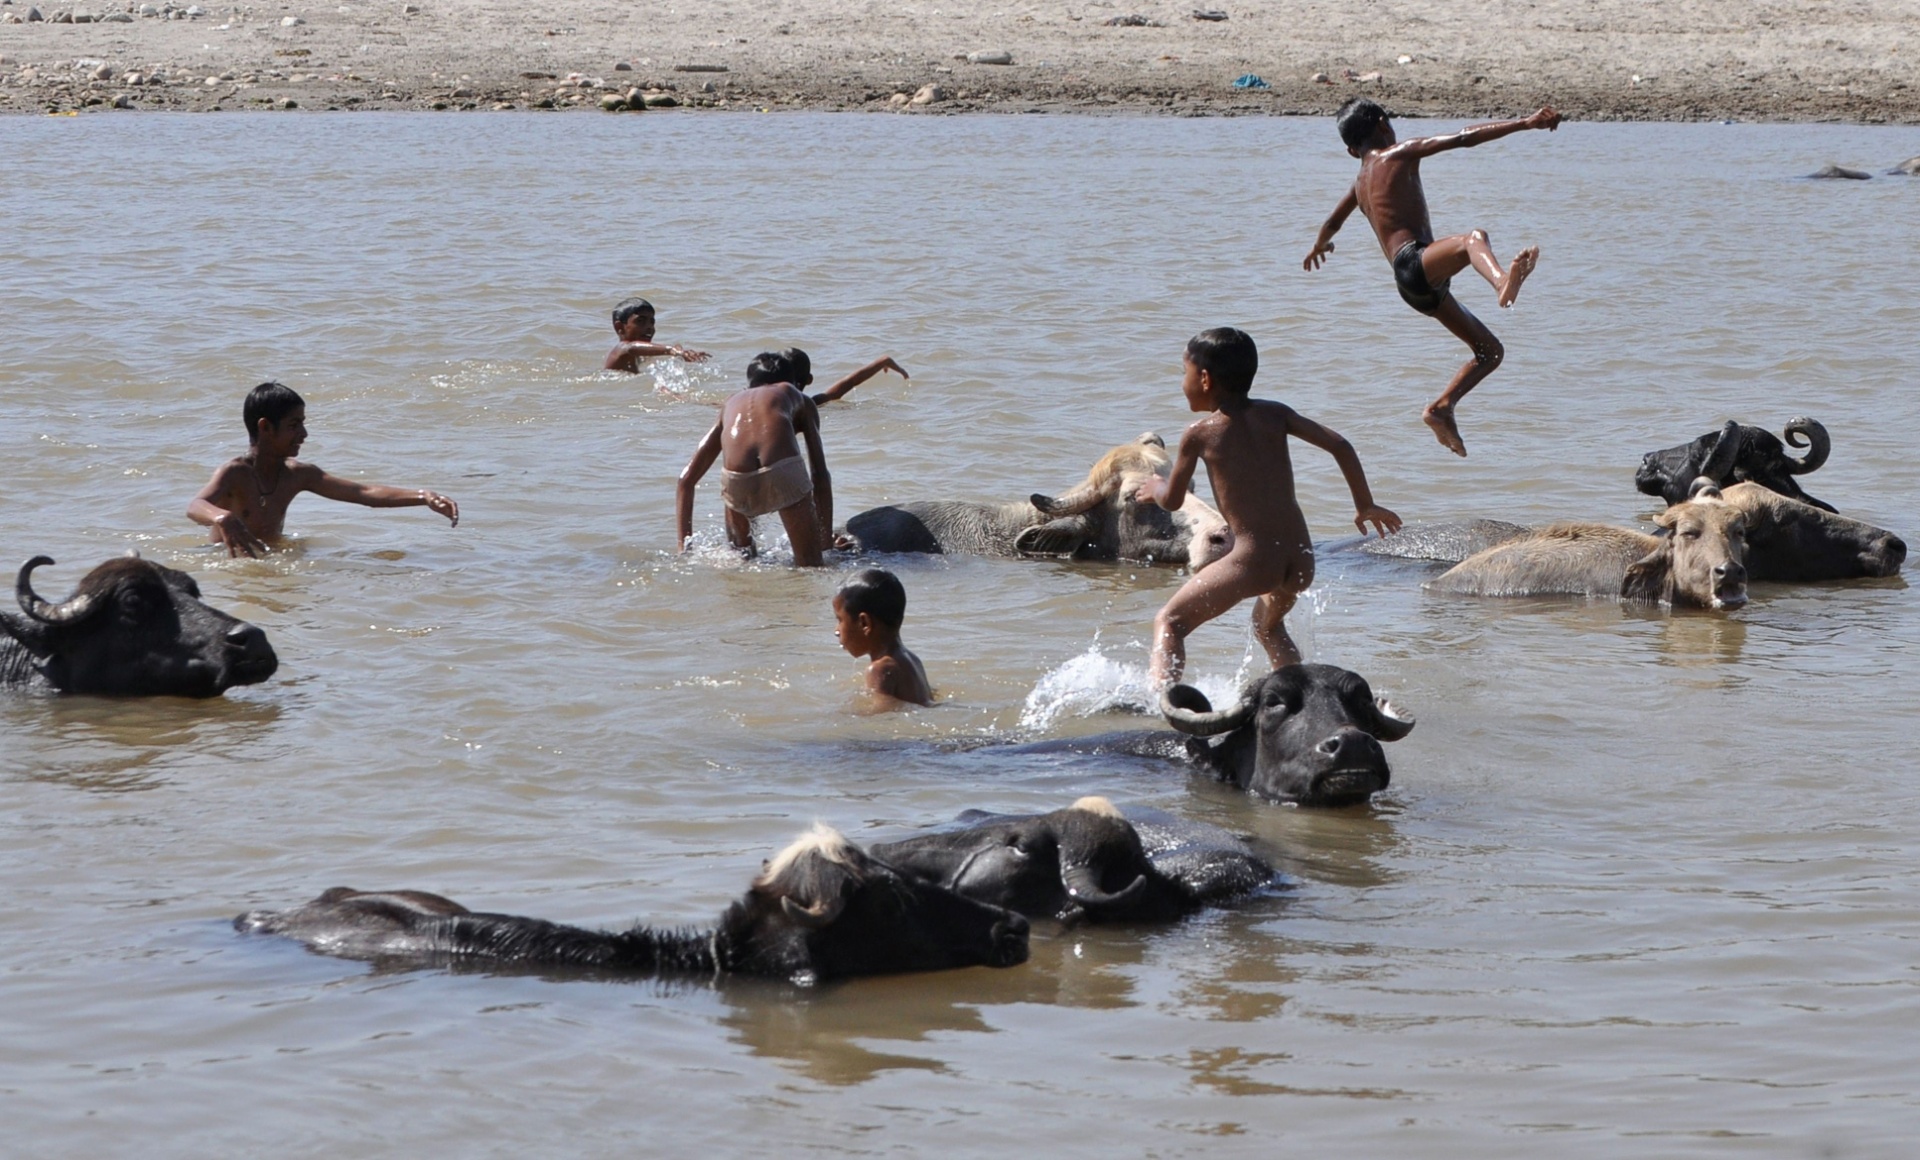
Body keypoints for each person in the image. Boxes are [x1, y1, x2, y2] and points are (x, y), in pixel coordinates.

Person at [1135, 329, 1400, 686]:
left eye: (1183, 373)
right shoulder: (1276, 414)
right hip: (1302, 559)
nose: (1182, 383)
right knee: (1268, 627)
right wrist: (1364, 504)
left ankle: (1163, 703)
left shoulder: (1199, 433)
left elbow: (1175, 501)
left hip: (1254, 561)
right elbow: (1340, 445)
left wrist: (1156, 488)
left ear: (1204, 378)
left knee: (1170, 622)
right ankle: (1298, 696)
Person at [1303, 99, 1562, 457]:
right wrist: (1524, 123)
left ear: (1351, 150)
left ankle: (1441, 408)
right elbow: (1462, 137)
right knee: (1474, 239)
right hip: (1416, 262)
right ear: (1383, 125)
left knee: (1490, 352)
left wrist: (1319, 246)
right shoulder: (1398, 153)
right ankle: (1502, 283)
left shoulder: (1359, 184)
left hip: (1412, 285)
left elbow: (1333, 222)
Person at [188, 381, 459, 557]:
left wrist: (423, 496)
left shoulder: (297, 475)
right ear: (265, 427)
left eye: (303, 424)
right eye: (294, 425)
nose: (304, 434)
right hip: (222, 558)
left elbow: (364, 492)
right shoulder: (235, 473)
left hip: (272, 556)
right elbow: (196, 506)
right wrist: (221, 518)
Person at [675, 351, 833, 566]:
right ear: (794, 382)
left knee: (742, 562)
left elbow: (686, 480)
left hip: (736, 479)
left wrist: (684, 547)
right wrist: (825, 543)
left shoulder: (731, 402)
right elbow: (820, 475)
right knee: (811, 567)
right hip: (783, 472)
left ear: (749, 385)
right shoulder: (795, 395)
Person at [832, 568, 933, 707]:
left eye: (840, 620)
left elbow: (882, 716)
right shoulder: (912, 659)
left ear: (864, 623)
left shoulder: (879, 669)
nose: (836, 631)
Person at [604, 297, 711, 372]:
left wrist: (680, 352)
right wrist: (671, 350)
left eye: (652, 322)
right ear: (619, 327)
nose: (649, 327)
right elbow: (631, 347)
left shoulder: (640, 356)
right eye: (640, 321)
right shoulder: (621, 348)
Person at [775, 348, 910, 407]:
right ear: (810, 380)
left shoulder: (761, 407)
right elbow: (850, 382)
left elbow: (850, 382)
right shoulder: (812, 404)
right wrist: (881, 362)